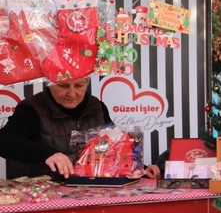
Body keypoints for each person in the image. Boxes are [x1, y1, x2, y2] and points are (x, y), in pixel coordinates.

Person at [0, 77, 160, 180]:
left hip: (88, 192)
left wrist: (140, 168)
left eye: (79, 85)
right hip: (42, 192)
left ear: (87, 83)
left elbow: (116, 147)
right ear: (50, 83)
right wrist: (46, 154)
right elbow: (4, 141)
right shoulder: (31, 109)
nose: (72, 93)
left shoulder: (97, 107)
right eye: (63, 85)